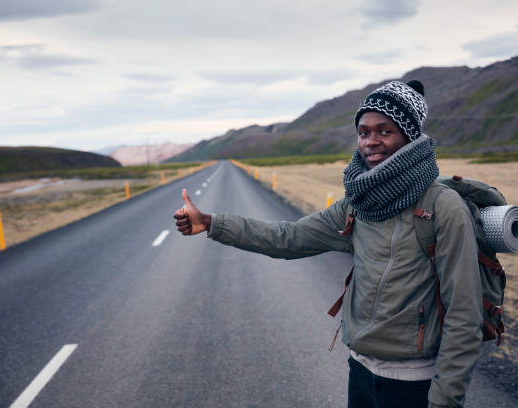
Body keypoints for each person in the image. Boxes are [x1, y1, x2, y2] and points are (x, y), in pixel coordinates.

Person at [174, 80, 482, 408]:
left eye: (385, 131)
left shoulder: (442, 207)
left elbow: (464, 314)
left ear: (408, 135)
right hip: (361, 369)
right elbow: (288, 238)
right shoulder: (358, 203)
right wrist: (212, 223)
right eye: (364, 132)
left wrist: (445, 401)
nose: (372, 141)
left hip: (413, 382)